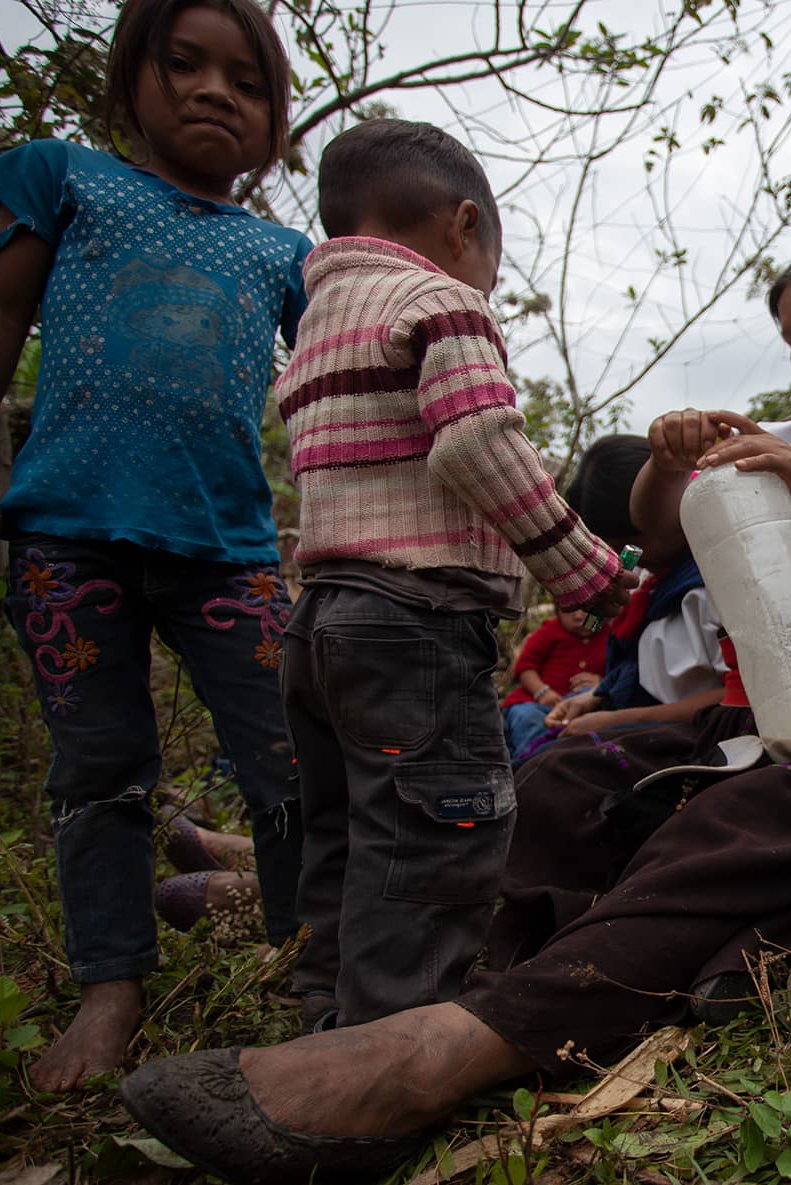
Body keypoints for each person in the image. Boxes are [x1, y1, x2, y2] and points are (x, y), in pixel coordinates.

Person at [117, 240, 791, 1182]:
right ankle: (391, 934)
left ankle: (447, 1051)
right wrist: (671, 462)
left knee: (723, 835)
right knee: (568, 781)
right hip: (769, 705)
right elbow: (656, 529)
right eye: (788, 334)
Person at [0, 0, 309, 1091]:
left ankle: (307, 962)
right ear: (130, 80)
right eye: (183, 65)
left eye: (244, 81)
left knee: (287, 751)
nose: (211, 93)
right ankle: (111, 989)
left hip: (227, 548)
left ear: (275, 119)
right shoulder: (68, 181)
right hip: (65, 539)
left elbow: (338, 369)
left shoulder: (284, 253)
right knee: (99, 768)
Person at [274, 119, 632, 1033]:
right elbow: (476, 441)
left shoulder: (318, 326)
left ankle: (324, 1008)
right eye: (491, 264)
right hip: (414, 625)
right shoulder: (439, 301)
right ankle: (387, 1040)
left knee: (344, 833)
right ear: (461, 227)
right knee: (434, 840)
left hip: (322, 621)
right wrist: (582, 567)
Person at [530, 434, 725, 746]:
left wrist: (620, 720)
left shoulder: (717, 585)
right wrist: (594, 696)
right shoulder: (653, 590)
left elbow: (742, 698)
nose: (625, 561)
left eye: (627, 546)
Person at [499, 606, 605, 763]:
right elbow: (526, 667)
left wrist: (600, 681)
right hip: (536, 702)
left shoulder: (608, 635)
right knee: (527, 718)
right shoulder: (550, 631)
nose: (578, 616)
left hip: (582, 705)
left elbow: (619, 670)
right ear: (558, 612)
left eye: (587, 610)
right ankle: (529, 761)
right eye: (569, 610)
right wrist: (541, 692)